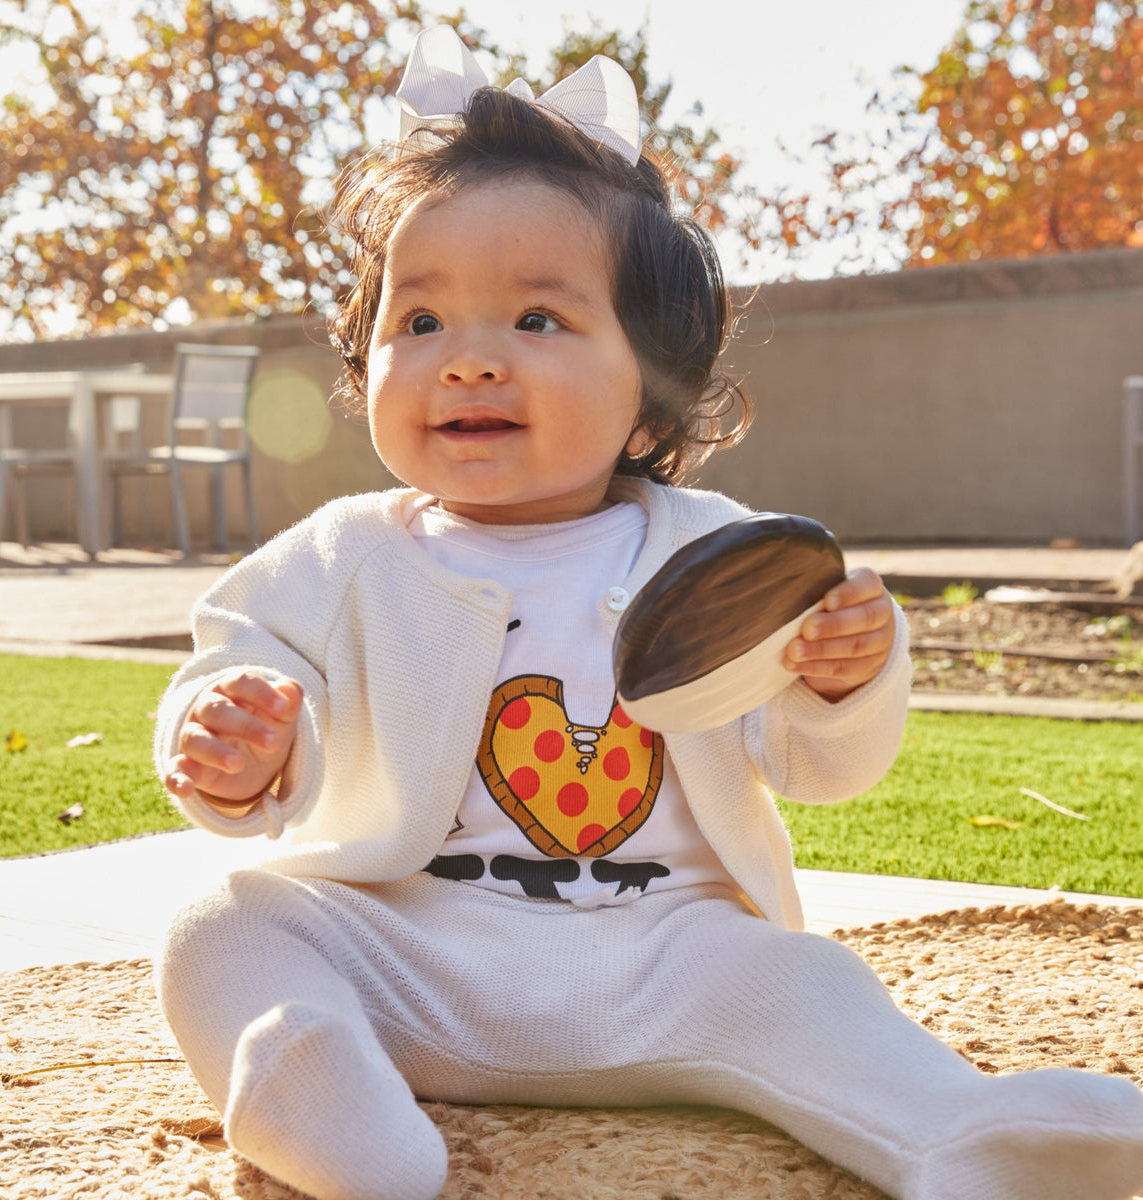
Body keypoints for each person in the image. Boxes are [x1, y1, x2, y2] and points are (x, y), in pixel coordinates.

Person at [153, 26, 1143, 1200]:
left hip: (673, 958)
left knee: (812, 986)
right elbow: (236, 670)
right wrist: (235, 746)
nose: (468, 360)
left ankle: (965, 1134)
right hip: (413, 950)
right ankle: (313, 1094)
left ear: (649, 390)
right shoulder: (336, 555)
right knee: (225, 924)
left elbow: (819, 766)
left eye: (537, 320)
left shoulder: (719, 551)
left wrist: (840, 679)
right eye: (419, 323)